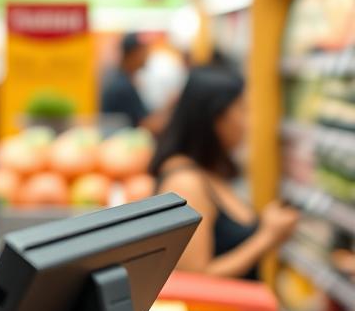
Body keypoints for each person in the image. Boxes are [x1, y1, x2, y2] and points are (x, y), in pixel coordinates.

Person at [150, 66, 299, 279]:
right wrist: (267, 236)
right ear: (215, 117)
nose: (248, 123)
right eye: (242, 109)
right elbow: (196, 277)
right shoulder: (186, 182)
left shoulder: (207, 171)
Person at [100, 32, 156, 130]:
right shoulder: (122, 86)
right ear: (133, 54)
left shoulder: (122, 79)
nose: (147, 56)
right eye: (143, 51)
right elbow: (146, 124)